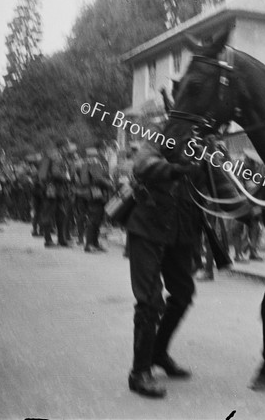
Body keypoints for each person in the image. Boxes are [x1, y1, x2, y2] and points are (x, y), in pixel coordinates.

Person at [124, 132, 204, 398]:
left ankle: (158, 352)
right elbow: (143, 165)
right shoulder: (161, 137)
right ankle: (139, 373)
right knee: (149, 301)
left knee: (182, 294)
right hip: (148, 228)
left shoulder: (202, 145)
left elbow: (219, 184)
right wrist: (178, 168)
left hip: (179, 234)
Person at [39, 140, 72, 248]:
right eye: (67, 146)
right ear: (62, 147)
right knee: (49, 214)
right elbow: (56, 173)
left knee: (61, 214)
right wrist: (66, 178)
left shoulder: (57, 156)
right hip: (52, 189)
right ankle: (48, 240)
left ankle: (61, 239)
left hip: (56, 189)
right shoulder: (56, 157)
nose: (69, 148)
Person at [83, 146, 113, 253]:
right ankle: (89, 244)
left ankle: (94, 243)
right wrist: (109, 183)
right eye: (105, 150)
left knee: (97, 218)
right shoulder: (95, 162)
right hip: (95, 193)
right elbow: (97, 178)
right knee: (93, 219)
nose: (106, 152)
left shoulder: (91, 162)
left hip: (94, 193)